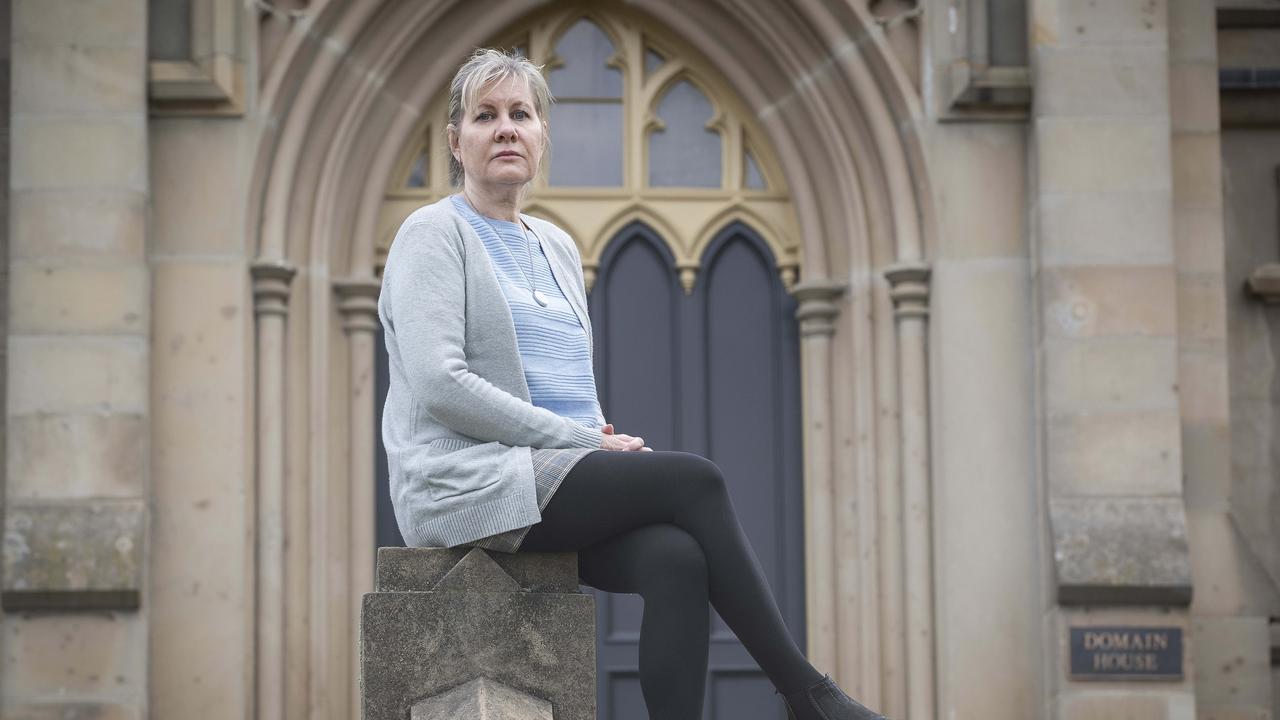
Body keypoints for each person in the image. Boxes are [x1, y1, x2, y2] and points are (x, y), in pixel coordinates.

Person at [377, 47, 889, 720]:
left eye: (521, 114)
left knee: (676, 560)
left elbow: (560, 384)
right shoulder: (433, 235)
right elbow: (443, 385)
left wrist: (596, 435)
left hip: (548, 472)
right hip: (464, 482)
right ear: (456, 141)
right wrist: (584, 441)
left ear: (540, 135)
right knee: (695, 480)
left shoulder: (555, 244)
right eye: (486, 116)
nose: (506, 128)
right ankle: (808, 695)